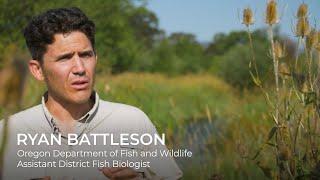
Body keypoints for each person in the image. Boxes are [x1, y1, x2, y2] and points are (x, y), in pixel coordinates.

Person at [1, 7, 182, 179]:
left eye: (86, 55)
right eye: (64, 58)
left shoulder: (134, 121)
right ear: (37, 70)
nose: (80, 69)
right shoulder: (7, 134)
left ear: (96, 58)